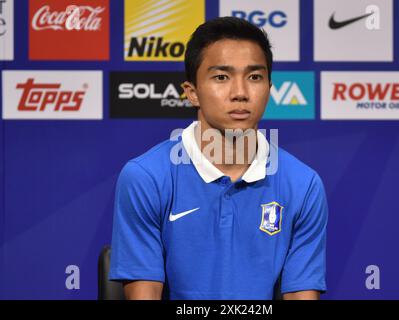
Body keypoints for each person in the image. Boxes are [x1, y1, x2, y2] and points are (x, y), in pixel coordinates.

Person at [109, 17, 328, 300]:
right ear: (192, 93)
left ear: (269, 89)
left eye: (254, 77)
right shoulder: (146, 177)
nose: (240, 93)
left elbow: (301, 296)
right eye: (221, 77)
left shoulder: (303, 185)